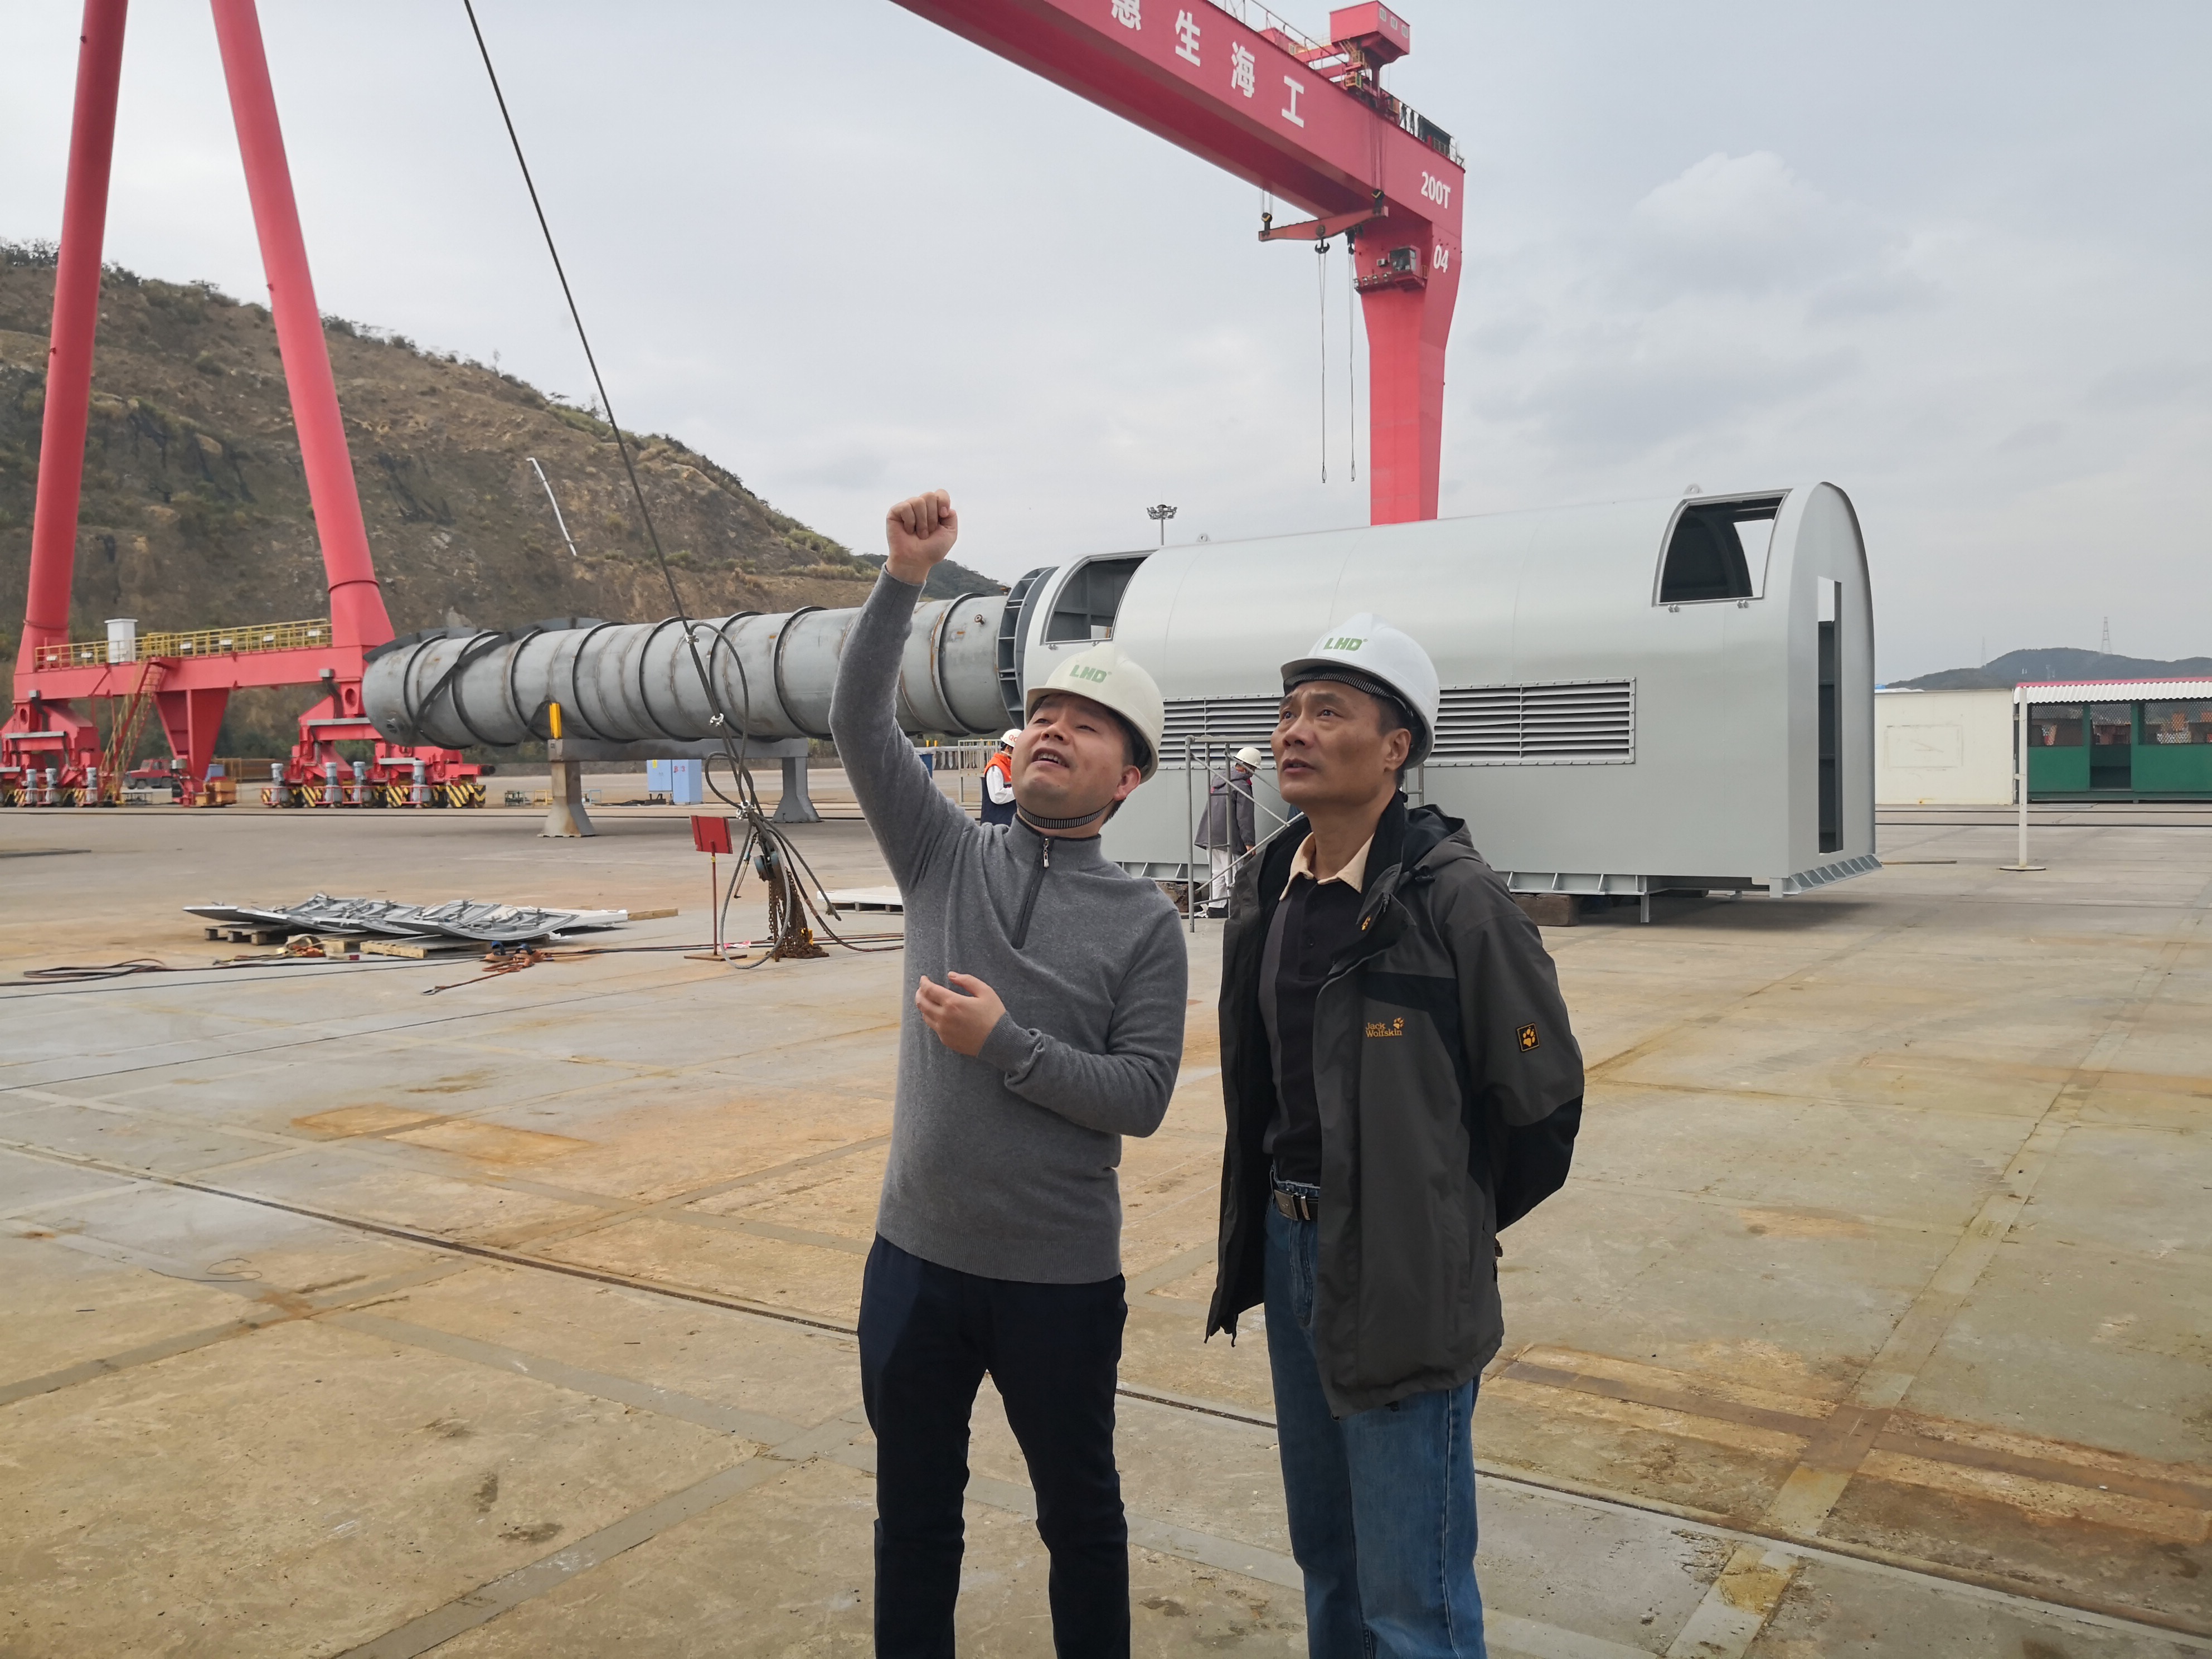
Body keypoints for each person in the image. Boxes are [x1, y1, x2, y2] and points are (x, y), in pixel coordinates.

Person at [830, 488, 1188, 1659]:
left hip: (1058, 1283)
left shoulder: (1146, 925)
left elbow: (1142, 1098)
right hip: (914, 1263)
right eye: (1042, 713)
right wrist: (903, 578)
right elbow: (856, 720)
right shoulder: (941, 857)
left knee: (1079, 1520)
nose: (1053, 730)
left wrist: (1006, 1047)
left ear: (1128, 778)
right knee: (912, 1520)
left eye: (1088, 724)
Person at [1205, 614, 1585, 1658]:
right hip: (1288, 1243)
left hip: (1404, 1272)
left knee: (1412, 1597)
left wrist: (1437, 1218)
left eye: (1328, 711)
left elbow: (1541, 1102)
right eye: (1289, 711)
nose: (1294, 730)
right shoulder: (1268, 888)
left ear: (1395, 748)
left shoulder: (1456, 901)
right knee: (1328, 1559)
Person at [1195, 744, 1264, 917]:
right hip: (1228, 838)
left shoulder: (1219, 779)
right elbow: (1245, 817)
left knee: (1217, 873)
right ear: (1248, 766)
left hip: (1209, 835)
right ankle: (1237, 910)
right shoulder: (1241, 786)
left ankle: (1216, 908)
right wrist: (1249, 843)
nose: (1254, 771)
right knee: (1235, 875)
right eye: (1254, 768)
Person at [981, 727, 1020, 824]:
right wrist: (1020, 791)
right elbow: (998, 796)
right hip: (996, 823)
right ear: (1008, 749)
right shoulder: (996, 767)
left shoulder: (1011, 766)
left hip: (1008, 821)